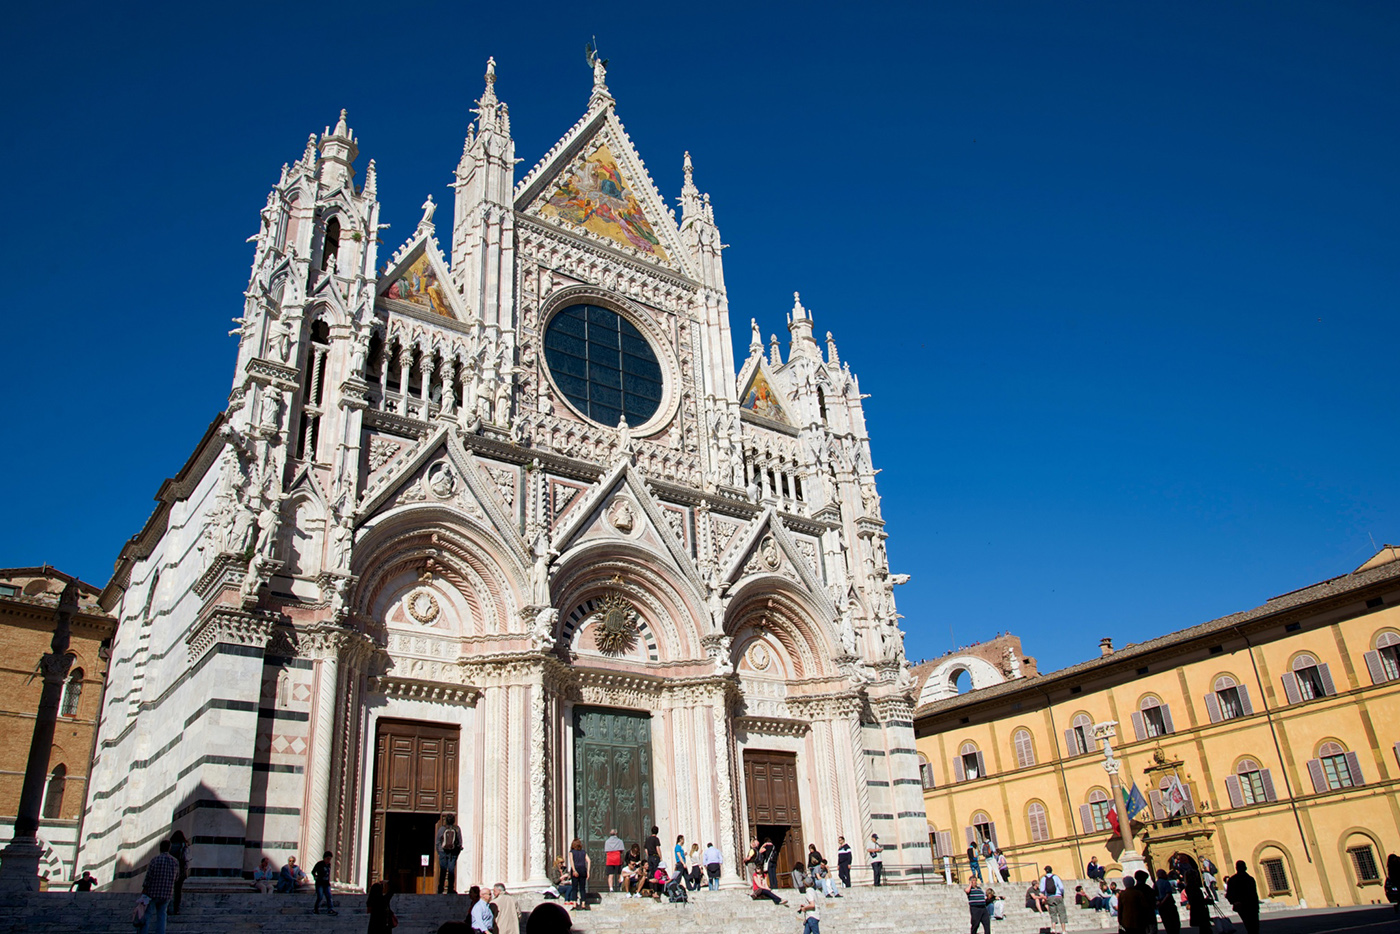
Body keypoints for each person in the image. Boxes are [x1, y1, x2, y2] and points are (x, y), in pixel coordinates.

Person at [139, 839, 179, 934]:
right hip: (166, 893)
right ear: (169, 848)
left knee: (147, 914)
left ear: (160, 848)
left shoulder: (155, 860)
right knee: (162, 915)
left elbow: (149, 876)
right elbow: (176, 878)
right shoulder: (175, 862)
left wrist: (145, 888)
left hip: (152, 892)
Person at [1176, 855, 1211, 934]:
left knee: (1204, 929)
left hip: (1197, 910)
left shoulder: (1188, 887)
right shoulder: (1193, 887)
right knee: (1205, 929)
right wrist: (1206, 901)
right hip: (1200, 910)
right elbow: (1197, 899)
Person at [1224, 861, 1260, 934]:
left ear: (1236, 868)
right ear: (1245, 868)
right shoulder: (1250, 879)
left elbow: (1229, 894)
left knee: (1248, 924)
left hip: (1241, 906)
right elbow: (1254, 894)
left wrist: (1234, 901)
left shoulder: (1232, 880)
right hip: (1251, 905)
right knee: (1255, 926)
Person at [437, 813, 464, 894]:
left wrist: (439, 851)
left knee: (443, 870)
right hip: (453, 853)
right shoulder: (457, 829)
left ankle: (440, 888)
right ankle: (450, 889)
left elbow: (438, 841)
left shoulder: (442, 828)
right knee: (451, 871)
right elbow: (460, 842)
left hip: (443, 852)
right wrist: (457, 852)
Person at [1041, 865, 1067, 934]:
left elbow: (1042, 889)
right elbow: (1061, 887)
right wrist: (1062, 893)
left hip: (1050, 897)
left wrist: (1045, 895)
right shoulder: (1056, 877)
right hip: (1058, 896)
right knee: (1061, 913)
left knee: (1053, 913)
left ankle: (1053, 928)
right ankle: (1063, 930)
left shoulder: (1043, 878)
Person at [168, 830, 190, 915]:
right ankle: (176, 909)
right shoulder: (183, 845)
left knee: (169, 890)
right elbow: (186, 858)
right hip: (180, 870)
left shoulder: (170, 846)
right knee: (178, 891)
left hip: (170, 871)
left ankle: (167, 908)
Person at [567, 837, 590, 910]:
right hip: (583, 869)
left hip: (576, 869)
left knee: (575, 888)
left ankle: (574, 904)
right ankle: (583, 904)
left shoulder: (571, 852)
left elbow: (571, 861)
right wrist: (588, 871)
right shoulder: (583, 852)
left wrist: (574, 870)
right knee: (582, 888)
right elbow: (589, 861)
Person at [1156, 869, 1181, 934]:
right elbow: (1168, 894)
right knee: (1174, 924)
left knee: (1167, 925)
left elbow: (1155, 895)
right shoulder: (1165, 882)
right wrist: (1162, 902)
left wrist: (1159, 903)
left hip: (1161, 907)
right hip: (1169, 905)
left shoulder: (1156, 883)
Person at [312, 851, 336, 915]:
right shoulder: (319, 864)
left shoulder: (329, 865)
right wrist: (315, 877)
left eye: (330, 859)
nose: (329, 860)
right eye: (328, 858)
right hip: (320, 883)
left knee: (329, 896)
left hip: (326, 883)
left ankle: (330, 909)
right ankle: (316, 909)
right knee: (320, 896)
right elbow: (313, 871)